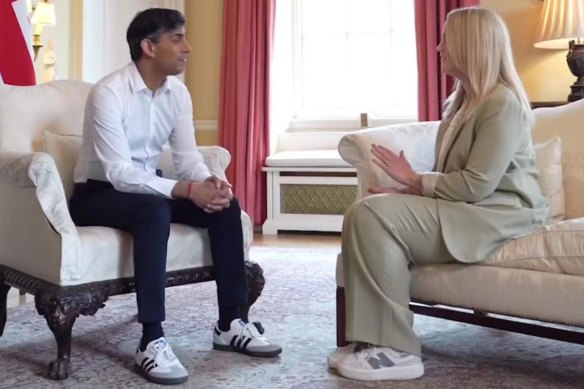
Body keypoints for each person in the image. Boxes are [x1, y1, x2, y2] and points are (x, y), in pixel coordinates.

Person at [327, 7, 549, 382]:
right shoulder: (462, 105)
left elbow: (476, 184)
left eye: (446, 38)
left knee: (371, 215)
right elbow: (454, 180)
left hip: (499, 213)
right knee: (367, 210)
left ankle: (396, 351)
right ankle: (371, 341)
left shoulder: (502, 103)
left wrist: (414, 182)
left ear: (469, 45)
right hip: (471, 207)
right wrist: (402, 190)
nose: (438, 46)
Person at [70, 8, 281, 386]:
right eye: (177, 38)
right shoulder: (108, 93)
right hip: (97, 194)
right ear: (149, 47)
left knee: (225, 206)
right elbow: (119, 173)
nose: (188, 47)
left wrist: (209, 182)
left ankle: (230, 322)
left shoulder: (177, 93)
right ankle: (151, 338)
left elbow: (186, 160)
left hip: (148, 188)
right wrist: (186, 190)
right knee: (154, 210)